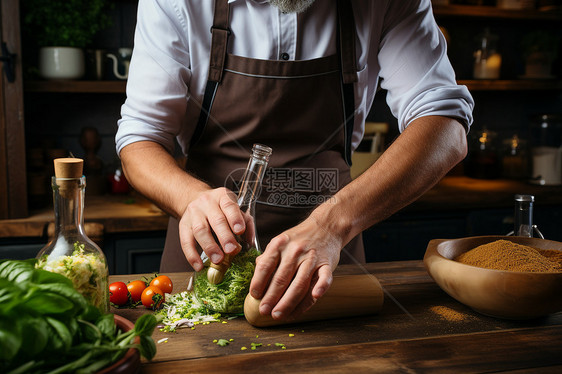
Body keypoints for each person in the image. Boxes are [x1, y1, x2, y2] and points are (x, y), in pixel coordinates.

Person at [116, 0, 474, 321]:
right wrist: (190, 198)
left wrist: (331, 225)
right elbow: (139, 139)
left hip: (330, 268)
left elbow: (445, 128)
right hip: (209, 268)